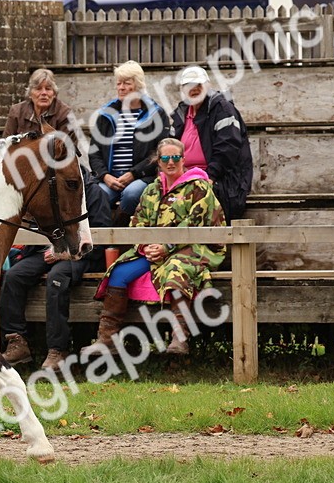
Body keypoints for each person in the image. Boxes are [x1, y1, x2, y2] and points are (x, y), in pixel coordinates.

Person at [82, 138, 227, 356]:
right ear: (158, 162)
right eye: (165, 158)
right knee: (118, 272)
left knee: (177, 268)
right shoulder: (151, 190)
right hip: (154, 249)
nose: (171, 162)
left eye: (175, 157)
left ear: (183, 159)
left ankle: (180, 338)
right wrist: (146, 246)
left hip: (195, 246)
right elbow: (138, 222)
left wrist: (166, 246)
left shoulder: (199, 187)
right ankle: (107, 339)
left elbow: (196, 223)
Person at [0, 179, 113, 369]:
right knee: (13, 276)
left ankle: (58, 350)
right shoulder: (49, 190)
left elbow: (101, 233)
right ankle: (16, 341)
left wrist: (63, 252)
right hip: (44, 252)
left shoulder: (93, 192)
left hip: (80, 255)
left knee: (57, 279)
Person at [86, 61, 172, 221]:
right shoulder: (106, 114)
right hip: (110, 178)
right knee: (99, 195)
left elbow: (159, 152)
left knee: (131, 194)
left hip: (141, 177)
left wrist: (134, 173)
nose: (121, 87)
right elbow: (94, 152)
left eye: (127, 83)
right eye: (118, 83)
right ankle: (102, 243)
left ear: (138, 85)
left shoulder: (156, 114)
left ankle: (119, 233)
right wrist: (105, 176)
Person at [169, 66, 253, 222]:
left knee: (192, 197)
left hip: (220, 180)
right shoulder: (181, 113)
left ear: (207, 86)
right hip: (185, 178)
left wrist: (210, 176)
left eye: (198, 85)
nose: (193, 90)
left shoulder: (222, 109)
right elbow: (169, 147)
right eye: (188, 86)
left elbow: (228, 148)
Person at [2, 68, 75, 138]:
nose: (44, 93)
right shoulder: (17, 112)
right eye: (38, 89)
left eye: (48, 89)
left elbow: (67, 147)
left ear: (54, 94)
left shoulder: (65, 114)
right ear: (30, 93)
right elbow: (5, 145)